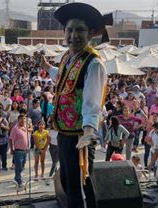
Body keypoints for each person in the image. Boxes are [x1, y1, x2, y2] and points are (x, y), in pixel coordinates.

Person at [40, 3, 109, 207]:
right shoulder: (68, 58)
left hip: (81, 137)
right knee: (67, 182)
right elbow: (63, 78)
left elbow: (92, 102)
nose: (73, 35)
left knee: (81, 188)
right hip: (64, 133)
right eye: (69, 30)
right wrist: (47, 67)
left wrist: (88, 132)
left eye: (80, 30)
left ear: (91, 33)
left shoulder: (94, 63)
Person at [9, 114, 29, 188]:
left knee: (22, 166)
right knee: (18, 167)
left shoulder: (24, 127)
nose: (23, 120)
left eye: (24, 118)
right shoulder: (15, 128)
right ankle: (18, 181)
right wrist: (11, 149)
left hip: (25, 150)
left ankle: (17, 178)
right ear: (18, 119)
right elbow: (11, 139)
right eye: (21, 119)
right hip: (18, 151)